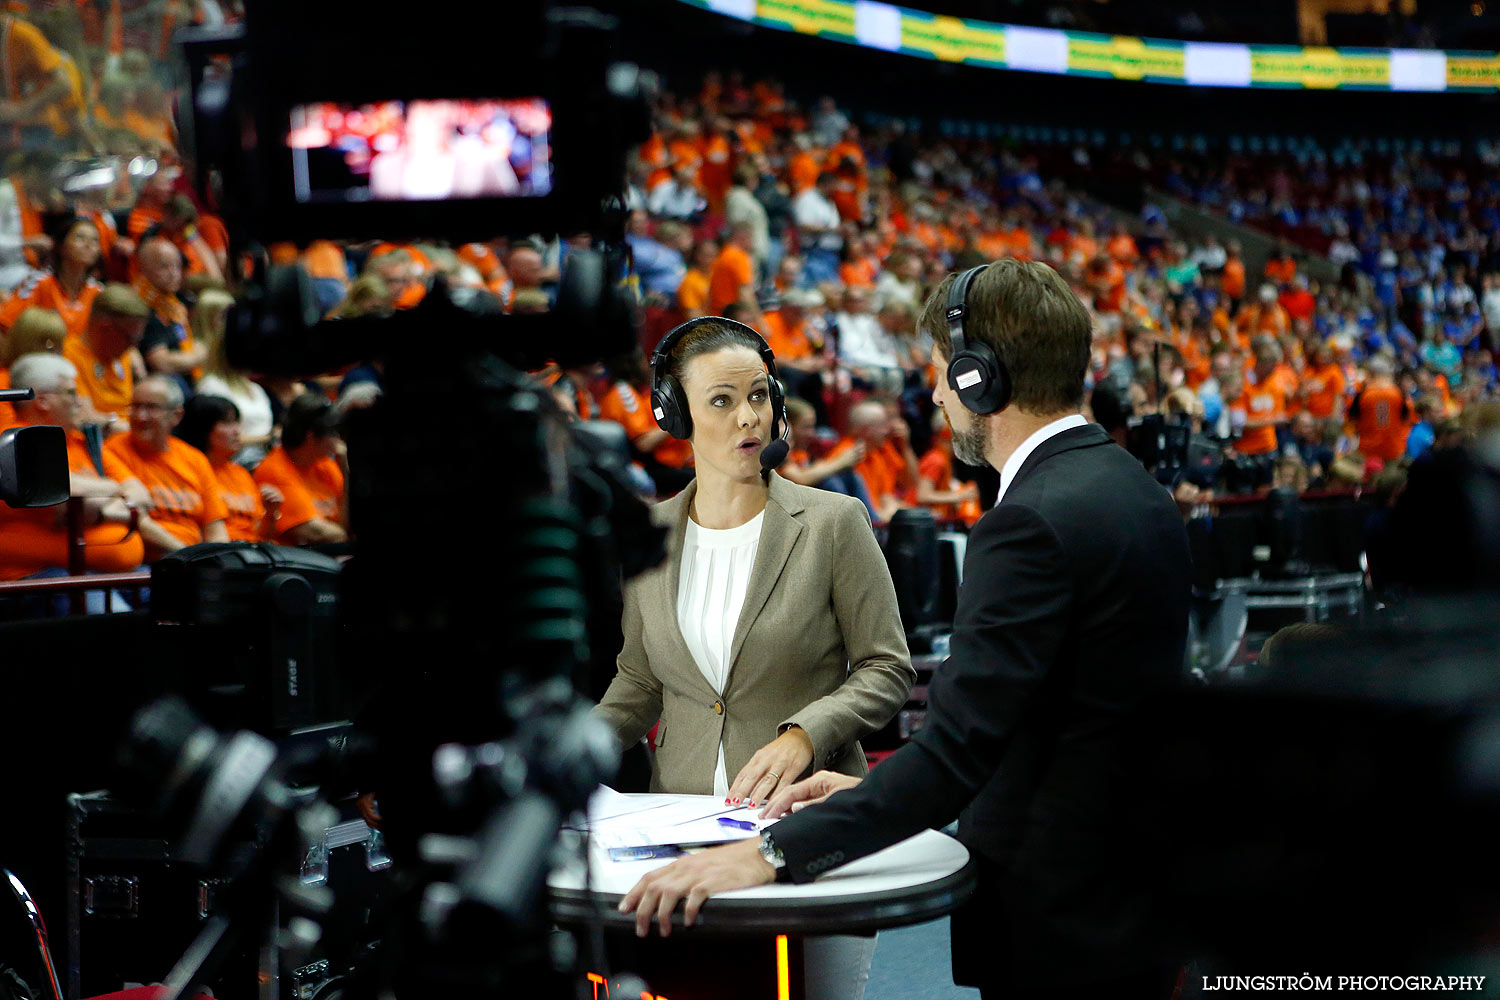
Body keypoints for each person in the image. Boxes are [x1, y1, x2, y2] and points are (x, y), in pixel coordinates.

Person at [619, 260, 1192, 1000]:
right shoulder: (1135, 489)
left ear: (981, 377)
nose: (934, 392)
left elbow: (956, 753)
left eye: (941, 373)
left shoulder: (1027, 524)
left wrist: (772, 853)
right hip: (1131, 904)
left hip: (1062, 928)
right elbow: (1042, 725)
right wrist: (858, 794)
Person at [593, 316, 914, 804]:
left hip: (806, 810)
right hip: (678, 816)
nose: (748, 417)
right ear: (675, 415)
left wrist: (805, 734)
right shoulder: (647, 535)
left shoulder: (835, 522)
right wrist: (575, 750)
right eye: (722, 400)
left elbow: (886, 667)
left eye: (759, 396)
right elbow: (640, 679)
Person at [0, 353, 146, 593]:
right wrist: (115, 494)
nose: (80, 402)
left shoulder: (81, 441)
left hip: (107, 571)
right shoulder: (15, 441)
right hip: (39, 580)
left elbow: (140, 494)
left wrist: (98, 509)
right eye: (71, 392)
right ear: (43, 401)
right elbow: (58, 489)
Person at [103, 374, 229, 557]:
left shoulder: (194, 458)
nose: (140, 416)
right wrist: (187, 557)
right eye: (135, 406)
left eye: (151, 408)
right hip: (149, 563)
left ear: (176, 415)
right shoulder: (112, 450)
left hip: (194, 563)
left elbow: (215, 528)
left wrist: (217, 561)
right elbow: (138, 520)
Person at [174, 394, 281, 543]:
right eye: (227, 423)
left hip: (251, 553)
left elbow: (260, 534)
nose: (237, 431)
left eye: (237, 422)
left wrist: (270, 512)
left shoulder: (241, 473)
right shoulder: (187, 471)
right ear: (203, 428)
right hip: (217, 553)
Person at [252, 392, 348, 545]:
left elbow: (349, 522)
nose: (339, 439)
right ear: (310, 436)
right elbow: (318, 532)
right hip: (296, 558)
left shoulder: (326, 465)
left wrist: (346, 469)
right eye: (333, 432)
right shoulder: (275, 469)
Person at [191, 288, 274, 457]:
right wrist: (267, 438)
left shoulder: (254, 388)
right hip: (234, 461)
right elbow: (214, 441)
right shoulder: (212, 386)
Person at [63, 282, 149, 430]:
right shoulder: (68, 357)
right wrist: (128, 428)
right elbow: (84, 417)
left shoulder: (124, 353)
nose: (133, 346)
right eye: (130, 338)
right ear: (105, 328)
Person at [0, 213, 102, 337]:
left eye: (95, 240)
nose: (88, 245)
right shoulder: (39, 282)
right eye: (80, 238)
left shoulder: (98, 293)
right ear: (61, 246)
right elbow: (5, 324)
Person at [134, 234, 205, 383]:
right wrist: (200, 354)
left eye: (177, 266)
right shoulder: (142, 306)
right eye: (164, 266)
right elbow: (161, 362)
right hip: (160, 381)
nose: (174, 273)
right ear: (144, 269)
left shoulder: (175, 301)